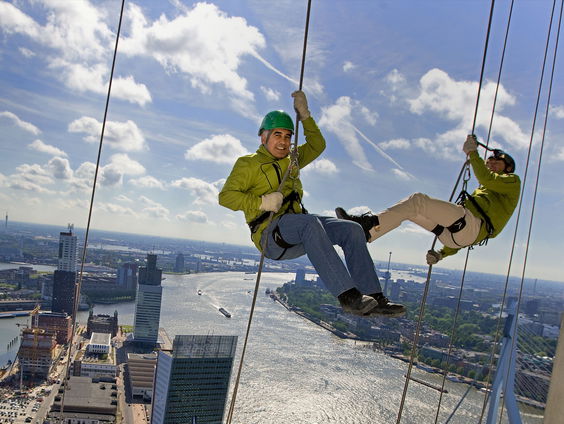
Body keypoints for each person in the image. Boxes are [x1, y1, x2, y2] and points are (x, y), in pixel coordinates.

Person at [219, 90, 405, 317]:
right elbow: (226, 197)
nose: (283, 141)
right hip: (271, 235)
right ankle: (348, 296)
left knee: (352, 229)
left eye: (288, 136)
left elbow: (317, 145)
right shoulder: (249, 164)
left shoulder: (292, 160)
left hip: (300, 230)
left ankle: (374, 297)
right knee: (309, 224)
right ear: (263, 137)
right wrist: (261, 202)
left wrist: (306, 116)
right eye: (277, 134)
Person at [336, 134, 520, 265]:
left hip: (467, 228)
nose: (491, 163)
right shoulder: (489, 190)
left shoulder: (512, 182)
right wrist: (441, 254)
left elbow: (486, 180)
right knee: (410, 210)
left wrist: (473, 154)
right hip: (455, 235)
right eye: (489, 162)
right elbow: (467, 236)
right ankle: (367, 234)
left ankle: (366, 224)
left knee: (418, 201)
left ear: (508, 168)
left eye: (497, 161)